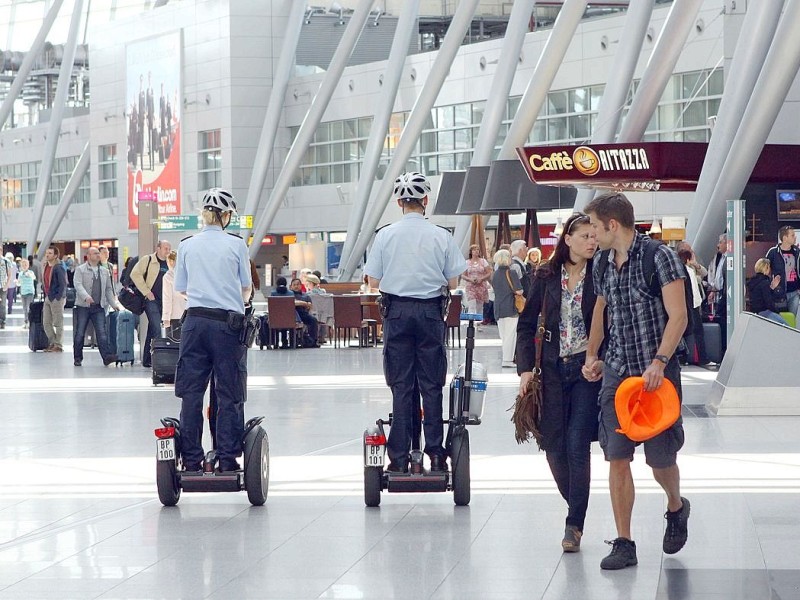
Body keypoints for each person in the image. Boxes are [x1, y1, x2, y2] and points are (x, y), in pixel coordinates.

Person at [582, 192, 690, 571]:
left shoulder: (658, 257)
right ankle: (624, 542)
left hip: (656, 374)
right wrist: (592, 355)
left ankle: (676, 506)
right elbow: (602, 307)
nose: (591, 234)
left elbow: (678, 316)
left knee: (660, 459)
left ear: (612, 224)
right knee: (617, 455)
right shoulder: (601, 263)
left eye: (594, 226)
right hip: (617, 371)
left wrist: (660, 362)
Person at [364, 171, 466, 473]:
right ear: (425, 201)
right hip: (430, 313)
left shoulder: (384, 235)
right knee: (431, 384)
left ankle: (398, 458)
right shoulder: (441, 236)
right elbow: (452, 282)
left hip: (396, 313)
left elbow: (374, 281)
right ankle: (435, 453)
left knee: (401, 386)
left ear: (399, 202)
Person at [516, 213, 601, 553]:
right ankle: (576, 505)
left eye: (595, 236)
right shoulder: (545, 275)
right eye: (585, 236)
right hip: (550, 370)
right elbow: (525, 325)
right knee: (553, 447)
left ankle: (574, 525)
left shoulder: (601, 274)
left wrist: (601, 359)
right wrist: (524, 369)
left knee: (577, 442)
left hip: (585, 370)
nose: (592, 242)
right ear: (567, 238)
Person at [173, 188, 252, 473]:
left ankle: (192, 459)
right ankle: (228, 458)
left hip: (194, 323)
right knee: (228, 392)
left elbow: (180, 287)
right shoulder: (236, 245)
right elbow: (246, 287)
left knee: (191, 392)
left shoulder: (187, 244)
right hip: (226, 325)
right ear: (226, 216)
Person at [72, 247, 122, 367]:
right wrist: (86, 296)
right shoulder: (81, 269)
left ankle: (106, 357)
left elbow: (108, 289)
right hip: (83, 306)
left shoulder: (104, 271)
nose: (98, 255)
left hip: (99, 306)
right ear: (88, 256)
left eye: (98, 253)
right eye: (95, 253)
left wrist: (113, 304)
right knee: (80, 332)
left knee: (102, 332)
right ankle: (77, 357)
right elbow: (77, 284)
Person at [130, 239, 172, 368]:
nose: (168, 251)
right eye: (165, 248)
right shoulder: (148, 260)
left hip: (165, 300)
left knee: (152, 330)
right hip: (151, 301)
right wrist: (146, 292)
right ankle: (159, 360)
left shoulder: (170, 262)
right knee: (157, 328)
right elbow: (135, 274)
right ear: (158, 248)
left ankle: (147, 359)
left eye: (169, 249)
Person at [491, 249, 523, 368]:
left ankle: (506, 358)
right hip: (510, 307)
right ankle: (507, 360)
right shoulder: (512, 273)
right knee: (511, 334)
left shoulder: (494, 274)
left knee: (504, 335)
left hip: (498, 307)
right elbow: (519, 290)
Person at [677, 247, 708, 365]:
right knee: (697, 331)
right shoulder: (688, 271)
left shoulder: (686, 270)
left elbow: (703, 273)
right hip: (692, 304)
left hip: (689, 304)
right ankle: (701, 358)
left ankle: (683, 357)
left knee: (684, 331)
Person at [765, 225, 799, 321]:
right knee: (780, 321)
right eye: (792, 235)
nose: (795, 237)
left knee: (791, 320)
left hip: (794, 292)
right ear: (784, 238)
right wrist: (770, 286)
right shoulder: (773, 252)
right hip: (779, 293)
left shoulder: (797, 251)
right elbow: (763, 269)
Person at [42, 245, 68, 351]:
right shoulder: (46, 266)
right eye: (47, 253)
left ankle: (58, 344)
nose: (47, 255)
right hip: (48, 297)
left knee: (58, 322)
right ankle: (53, 342)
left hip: (56, 298)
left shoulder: (58, 267)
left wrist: (58, 297)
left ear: (56, 255)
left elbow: (63, 284)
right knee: (46, 322)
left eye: (50, 253)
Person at [747, 258, 789, 325]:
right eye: (769, 267)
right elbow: (769, 302)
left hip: (756, 312)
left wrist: (772, 288)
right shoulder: (764, 282)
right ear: (766, 268)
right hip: (764, 312)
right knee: (785, 325)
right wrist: (777, 312)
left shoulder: (753, 281)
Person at [162, 250, 187, 339]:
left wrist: (166, 318)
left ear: (170, 262)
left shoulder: (168, 276)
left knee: (174, 347)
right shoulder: (187, 273)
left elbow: (167, 298)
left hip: (174, 315)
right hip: (188, 314)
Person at [462, 244, 491, 316]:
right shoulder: (467, 262)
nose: (476, 251)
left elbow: (489, 272)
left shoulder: (483, 261)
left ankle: (478, 322)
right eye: (474, 249)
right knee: (471, 305)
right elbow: (463, 275)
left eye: (478, 249)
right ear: (471, 252)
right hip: (470, 286)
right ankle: (471, 322)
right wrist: (470, 279)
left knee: (480, 306)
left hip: (481, 286)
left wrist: (482, 278)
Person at [289, 277, 319, 347]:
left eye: (298, 284)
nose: (296, 286)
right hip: (293, 315)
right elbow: (292, 303)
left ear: (301, 285)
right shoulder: (290, 294)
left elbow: (310, 305)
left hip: (304, 314)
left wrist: (305, 305)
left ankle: (313, 341)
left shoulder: (305, 295)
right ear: (291, 286)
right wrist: (304, 303)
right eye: (294, 285)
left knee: (313, 320)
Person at [270, 276, 294, 348]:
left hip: (276, 318)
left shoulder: (273, 293)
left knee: (277, 320)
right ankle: (287, 342)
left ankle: (275, 343)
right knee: (285, 320)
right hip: (289, 318)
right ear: (286, 283)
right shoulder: (290, 293)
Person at [18, 258, 36, 329]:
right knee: (24, 308)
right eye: (23, 265)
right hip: (23, 293)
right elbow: (19, 283)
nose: (24, 266)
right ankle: (26, 322)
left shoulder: (30, 272)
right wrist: (17, 282)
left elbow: (34, 277)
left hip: (30, 292)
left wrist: (29, 275)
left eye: (26, 264)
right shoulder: (20, 274)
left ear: (28, 265)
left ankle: (30, 322)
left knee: (29, 308)